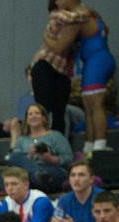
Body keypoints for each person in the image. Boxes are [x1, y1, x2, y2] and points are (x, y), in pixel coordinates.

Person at [51, 1, 115, 152]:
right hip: (96, 60)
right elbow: (104, 30)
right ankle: (90, 145)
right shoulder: (89, 13)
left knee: (95, 104)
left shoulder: (79, 18)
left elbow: (59, 46)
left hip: (97, 61)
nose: (57, 2)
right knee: (87, 105)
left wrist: (45, 37)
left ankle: (100, 144)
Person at [6, 103, 73, 193]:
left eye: (37, 113)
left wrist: (52, 159)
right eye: (30, 114)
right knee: (14, 157)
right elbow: (14, 160)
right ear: (27, 120)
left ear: (44, 118)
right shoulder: (22, 139)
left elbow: (69, 158)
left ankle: (38, 175)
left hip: (51, 170)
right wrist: (29, 157)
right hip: (28, 175)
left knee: (46, 175)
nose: (33, 116)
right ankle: (37, 174)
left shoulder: (55, 135)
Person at [31, 2, 76, 136]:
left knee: (59, 112)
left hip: (61, 71)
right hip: (47, 66)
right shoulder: (58, 16)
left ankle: (57, 146)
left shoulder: (72, 19)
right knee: (44, 111)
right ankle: (43, 144)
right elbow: (59, 46)